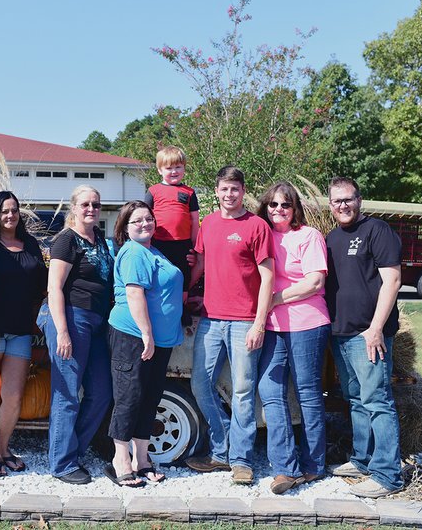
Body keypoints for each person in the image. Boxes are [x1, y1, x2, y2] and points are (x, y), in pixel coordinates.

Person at [184, 166, 274, 484]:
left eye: (235, 189)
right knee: (200, 384)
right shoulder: (208, 223)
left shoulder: (256, 226)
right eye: (224, 189)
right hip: (211, 318)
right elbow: (202, 266)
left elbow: (268, 277)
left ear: (242, 190)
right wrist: (184, 292)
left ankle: (241, 461)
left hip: (244, 321)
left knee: (242, 392)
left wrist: (259, 323)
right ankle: (221, 451)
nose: (229, 194)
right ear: (217, 190)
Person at [325, 176, 404, 498]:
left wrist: (375, 329)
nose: (343, 205)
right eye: (337, 201)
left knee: (377, 401)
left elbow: (393, 281)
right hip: (340, 333)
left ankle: (388, 475)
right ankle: (362, 459)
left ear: (359, 200)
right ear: (330, 206)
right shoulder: (331, 238)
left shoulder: (377, 231)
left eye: (348, 199)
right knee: (356, 400)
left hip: (367, 334)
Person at [255, 181, 331, 494]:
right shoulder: (262, 235)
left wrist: (273, 299)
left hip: (307, 324)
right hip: (272, 327)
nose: (278, 210)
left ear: (294, 207)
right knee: (269, 389)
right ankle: (285, 468)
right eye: (273, 204)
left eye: (285, 204)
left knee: (307, 393)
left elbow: (314, 282)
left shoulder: (309, 236)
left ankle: (314, 465)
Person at [38, 185, 114, 484]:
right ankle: (61, 463)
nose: (91, 209)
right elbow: (54, 287)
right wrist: (63, 332)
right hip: (70, 316)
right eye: (85, 204)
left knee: (102, 391)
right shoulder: (66, 241)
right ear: (74, 207)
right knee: (67, 393)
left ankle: (75, 450)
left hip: (97, 322)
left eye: (96, 204)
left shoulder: (100, 241)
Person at [104, 201, 184, 487]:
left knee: (149, 397)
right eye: (137, 220)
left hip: (157, 340)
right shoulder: (134, 252)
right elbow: (135, 294)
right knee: (130, 396)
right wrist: (147, 335)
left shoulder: (153, 251)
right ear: (125, 227)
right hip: (133, 336)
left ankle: (142, 458)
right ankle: (120, 459)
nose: (144, 224)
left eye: (148, 219)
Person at [0, 191, 47, 477]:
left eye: (14, 210)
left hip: (20, 330)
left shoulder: (29, 244)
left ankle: (4, 448)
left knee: (14, 395)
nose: (10, 215)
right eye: (4, 211)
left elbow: (41, 281)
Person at [144, 146, 199, 326]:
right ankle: (157, 308)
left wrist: (195, 246)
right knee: (160, 277)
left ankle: (181, 308)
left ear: (184, 168)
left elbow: (194, 220)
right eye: (169, 168)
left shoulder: (189, 192)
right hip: (159, 243)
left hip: (182, 244)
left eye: (178, 167)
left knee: (182, 276)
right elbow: (145, 216)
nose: (174, 171)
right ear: (160, 170)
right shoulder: (153, 191)